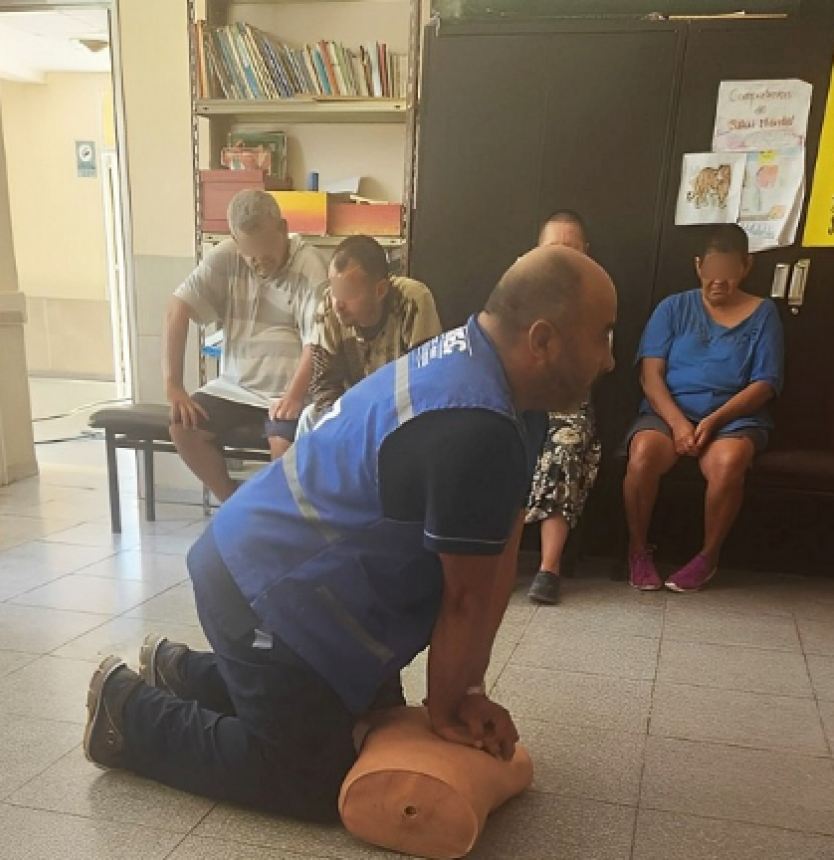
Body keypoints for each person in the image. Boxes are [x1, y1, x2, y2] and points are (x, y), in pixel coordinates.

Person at [82, 244, 617, 824]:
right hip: (260, 589)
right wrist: (448, 709)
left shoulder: (505, 389)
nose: (610, 360)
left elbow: (498, 556)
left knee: (368, 723)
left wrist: (464, 693)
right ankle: (127, 709)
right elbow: (464, 599)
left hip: (292, 578)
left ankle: (181, 671)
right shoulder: (477, 425)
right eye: (603, 336)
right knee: (312, 776)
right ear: (542, 341)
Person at [624, 224, 784, 593]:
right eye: (712, 271)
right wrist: (679, 424)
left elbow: (765, 384)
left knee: (728, 463)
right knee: (643, 453)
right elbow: (651, 375)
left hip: (733, 417)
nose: (718, 282)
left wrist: (713, 421)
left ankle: (707, 557)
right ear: (699, 266)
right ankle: (637, 550)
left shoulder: (764, 314)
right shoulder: (673, 307)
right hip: (668, 413)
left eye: (728, 273)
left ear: (746, 267)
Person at [163, 189, 327, 501]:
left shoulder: (310, 264)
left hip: (290, 391)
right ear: (236, 241)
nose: (258, 258)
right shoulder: (226, 256)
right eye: (250, 249)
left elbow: (317, 339)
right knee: (183, 427)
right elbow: (176, 309)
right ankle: (234, 507)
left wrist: (293, 396)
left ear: (282, 229)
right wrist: (173, 385)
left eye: (266, 246)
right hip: (235, 387)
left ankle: (281, 521)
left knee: (283, 447)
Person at [526, 211, 602, 606]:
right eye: (554, 249)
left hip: (567, 407)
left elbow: (604, 362)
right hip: (519, 401)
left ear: (586, 254)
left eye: (572, 250)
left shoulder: (598, 298)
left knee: (564, 448)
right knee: (484, 442)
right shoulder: (515, 294)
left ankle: (548, 569)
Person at [299, 234, 442, 435]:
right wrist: (345, 427)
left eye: (348, 292)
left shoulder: (412, 301)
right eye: (334, 289)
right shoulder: (329, 309)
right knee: (309, 418)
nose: (338, 303)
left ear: (380, 290)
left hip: (400, 410)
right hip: (352, 410)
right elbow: (324, 384)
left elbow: (426, 379)